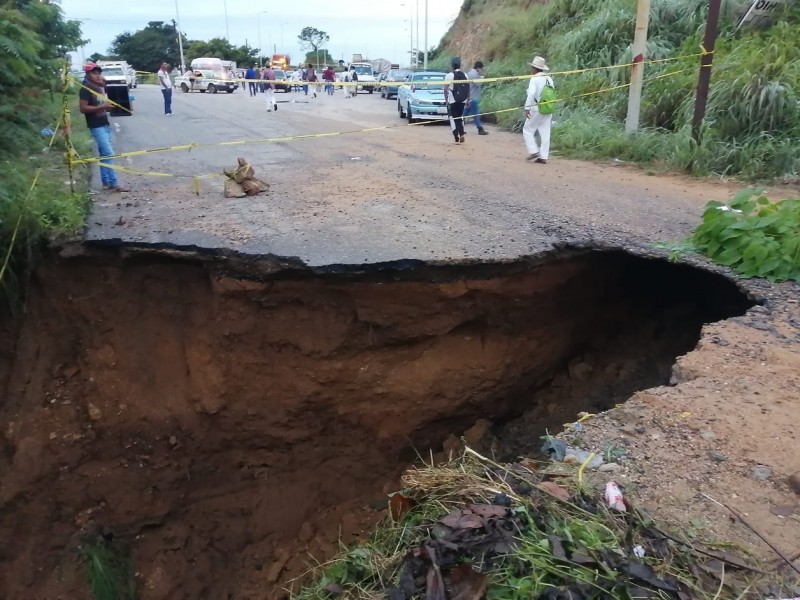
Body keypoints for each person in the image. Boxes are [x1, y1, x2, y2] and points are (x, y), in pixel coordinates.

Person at [78, 63, 128, 192]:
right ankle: (114, 183)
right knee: (108, 153)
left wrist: (104, 82)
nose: (97, 75)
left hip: (104, 123)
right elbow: (83, 108)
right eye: (94, 73)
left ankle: (105, 181)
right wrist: (102, 107)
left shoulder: (100, 87)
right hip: (96, 125)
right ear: (88, 75)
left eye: (98, 73)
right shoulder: (85, 89)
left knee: (103, 154)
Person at [523, 56, 554, 164]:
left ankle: (533, 151)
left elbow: (531, 94)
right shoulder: (549, 78)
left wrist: (527, 108)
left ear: (534, 69)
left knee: (527, 130)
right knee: (545, 131)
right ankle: (544, 156)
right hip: (548, 107)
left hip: (536, 108)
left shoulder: (534, 78)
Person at [443, 56, 469, 144]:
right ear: (460, 65)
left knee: (452, 118)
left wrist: (446, 100)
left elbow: (445, 89)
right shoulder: (465, 75)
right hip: (462, 100)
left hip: (453, 100)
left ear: (452, 66)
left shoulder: (449, 76)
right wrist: (467, 100)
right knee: (460, 117)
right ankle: (461, 133)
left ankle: (456, 136)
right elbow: (467, 89)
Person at [465, 60, 488, 135]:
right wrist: (482, 77)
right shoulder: (473, 74)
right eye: (481, 69)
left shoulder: (471, 73)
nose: (482, 70)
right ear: (478, 68)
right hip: (472, 97)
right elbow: (478, 83)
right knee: (476, 114)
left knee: (465, 113)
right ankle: (480, 129)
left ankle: (457, 126)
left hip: (471, 97)